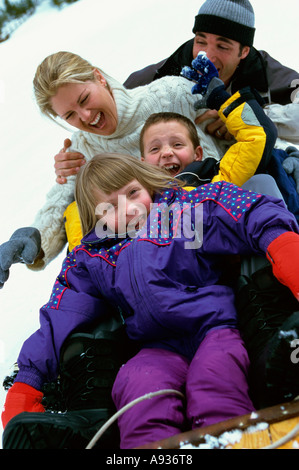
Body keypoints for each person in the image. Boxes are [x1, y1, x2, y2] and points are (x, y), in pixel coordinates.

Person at [2, 154, 299, 449]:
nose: (129, 208)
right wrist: (29, 380)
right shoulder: (93, 258)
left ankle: (231, 442)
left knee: (214, 382)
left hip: (214, 330)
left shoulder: (182, 215)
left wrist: (281, 242)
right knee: (137, 387)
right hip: (155, 347)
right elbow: (61, 313)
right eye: (111, 206)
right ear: (96, 217)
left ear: (147, 184)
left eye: (133, 193)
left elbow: (239, 209)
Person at [0, 51, 276, 286]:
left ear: (99, 77)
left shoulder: (171, 94)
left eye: (84, 99)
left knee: (262, 185)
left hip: (223, 220)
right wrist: (33, 239)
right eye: (69, 115)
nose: (84, 117)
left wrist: (226, 123)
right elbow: (60, 203)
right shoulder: (81, 151)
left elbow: (248, 133)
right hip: (162, 260)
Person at [54, 0, 299, 181]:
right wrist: (72, 159)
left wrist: (246, 116)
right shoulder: (160, 78)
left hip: (251, 175)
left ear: (244, 51)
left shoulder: (264, 72)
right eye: (201, 40)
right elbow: (115, 121)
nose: (206, 54)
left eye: (222, 45)